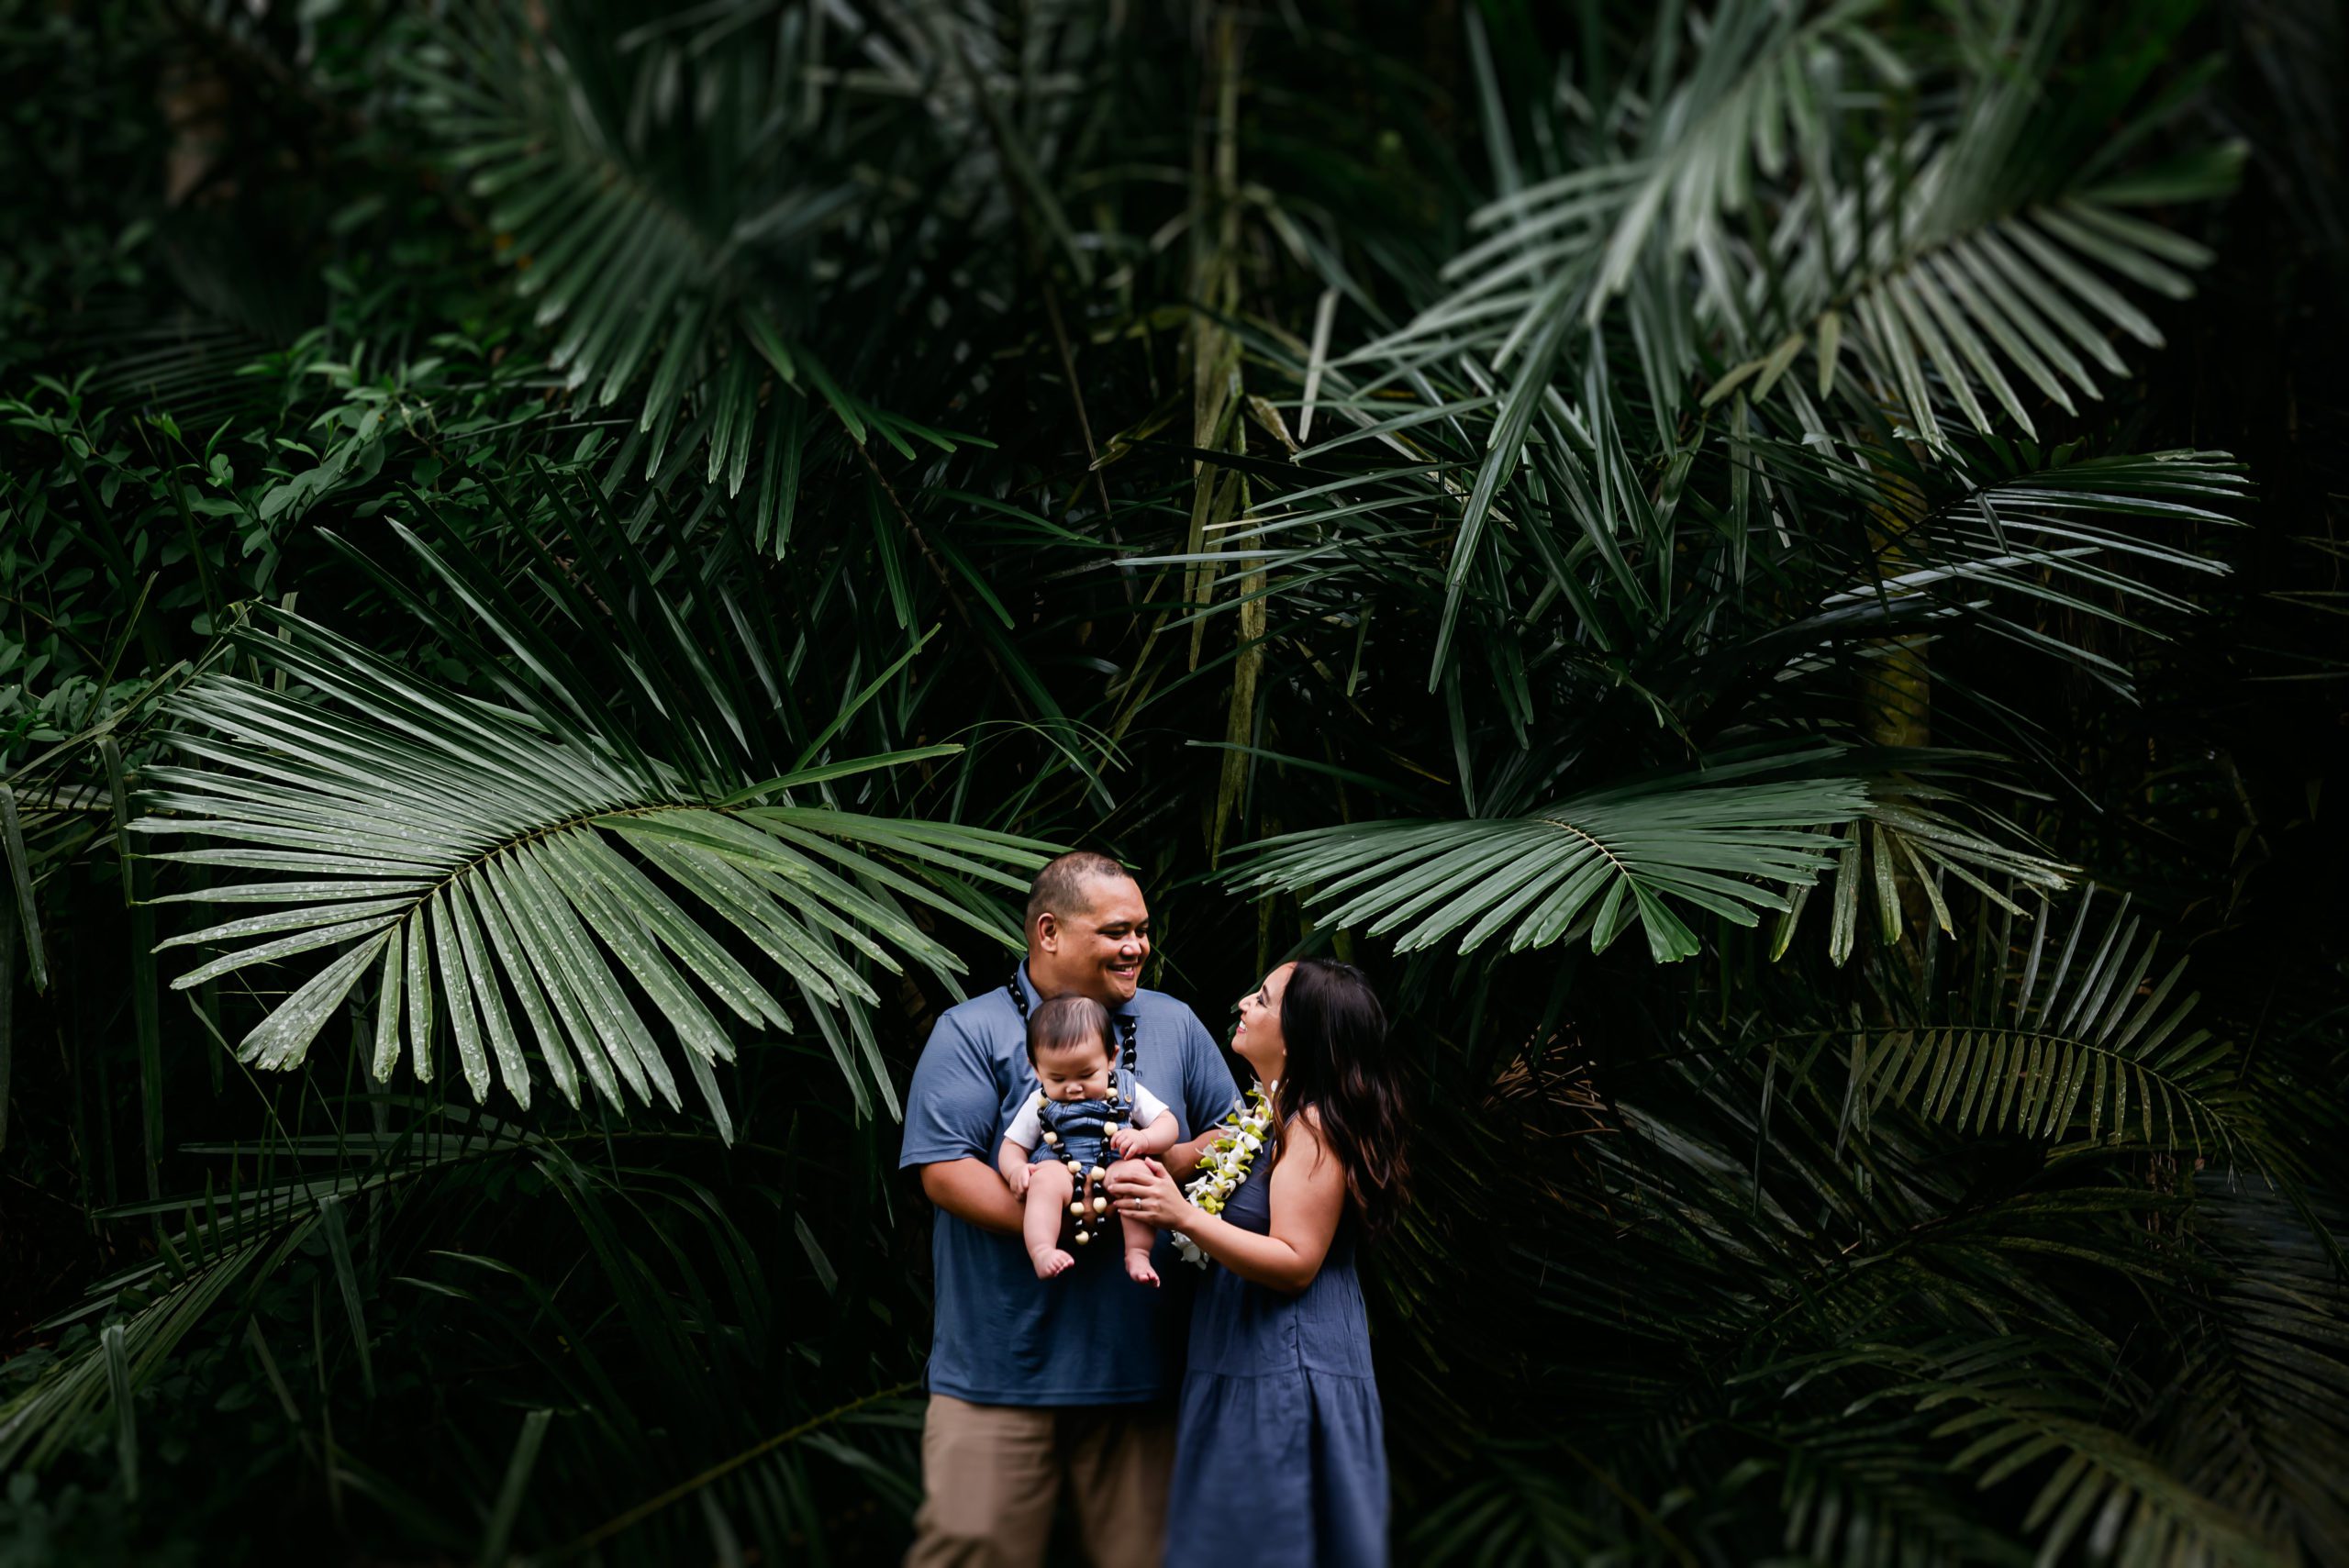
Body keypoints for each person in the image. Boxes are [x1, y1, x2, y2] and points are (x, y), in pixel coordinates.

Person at [900, 851, 1239, 1568]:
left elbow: (1233, 1134)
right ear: (1048, 931)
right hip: (998, 1377)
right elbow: (945, 1172)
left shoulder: (1173, 1022)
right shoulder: (972, 1030)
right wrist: (1072, 1205)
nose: (1137, 946)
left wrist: (1160, 1171)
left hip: (1142, 1376)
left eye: (1144, 930)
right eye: (1117, 930)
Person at [1108, 958, 1409, 1567]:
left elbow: (1298, 1259)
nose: (1245, 1002)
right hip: (1239, 1358)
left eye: (1265, 1000)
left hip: (1285, 1370)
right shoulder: (1262, 1125)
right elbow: (1185, 1156)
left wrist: (1186, 1217)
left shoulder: (1313, 1129)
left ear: (1300, 1035)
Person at [997, 994, 1182, 1284]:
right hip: (1060, 1165)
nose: (1073, 1088)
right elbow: (1012, 1146)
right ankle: (1042, 1249)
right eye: (1057, 1078)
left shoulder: (1125, 1089)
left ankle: (1137, 1252)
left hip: (1115, 1161)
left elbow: (1168, 1123)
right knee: (1043, 1182)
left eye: (1086, 1074)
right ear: (1036, 1068)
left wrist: (1145, 1138)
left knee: (1136, 1176)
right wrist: (1016, 1170)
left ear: (1111, 1057)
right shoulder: (1039, 1102)